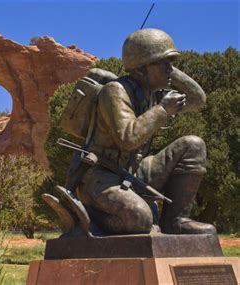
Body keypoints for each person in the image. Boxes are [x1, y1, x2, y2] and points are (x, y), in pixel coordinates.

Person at [76, 28, 216, 235]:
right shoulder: (115, 91)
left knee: (193, 145)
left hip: (135, 170)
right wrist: (162, 110)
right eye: (165, 64)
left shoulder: (153, 92)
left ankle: (175, 221)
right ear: (141, 70)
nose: (171, 69)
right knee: (140, 219)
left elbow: (197, 100)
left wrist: (165, 67)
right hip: (101, 176)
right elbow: (128, 138)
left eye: (172, 64)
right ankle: (91, 219)